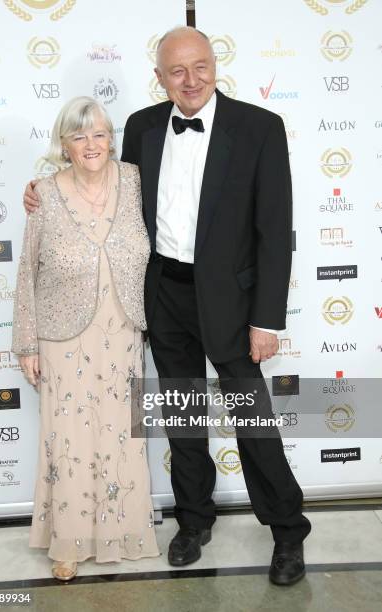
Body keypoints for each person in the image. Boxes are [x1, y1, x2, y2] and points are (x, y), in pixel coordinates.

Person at [23, 28, 311, 585]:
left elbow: (275, 230)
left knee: (252, 422)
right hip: (166, 294)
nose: (191, 80)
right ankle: (193, 520)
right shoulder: (144, 126)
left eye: (200, 67)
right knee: (183, 417)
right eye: (177, 71)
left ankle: (286, 533)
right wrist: (40, 191)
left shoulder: (259, 128)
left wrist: (267, 318)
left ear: (215, 65)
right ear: (160, 78)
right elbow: (105, 186)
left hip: (233, 298)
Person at [13, 96, 159, 581]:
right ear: (64, 144)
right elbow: (27, 273)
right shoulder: (45, 195)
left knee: (121, 436)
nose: (91, 144)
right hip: (62, 336)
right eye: (79, 136)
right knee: (70, 439)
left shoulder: (137, 180)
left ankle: (122, 533)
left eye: (99, 134)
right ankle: (69, 544)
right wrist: (28, 344)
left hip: (122, 333)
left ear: (111, 138)